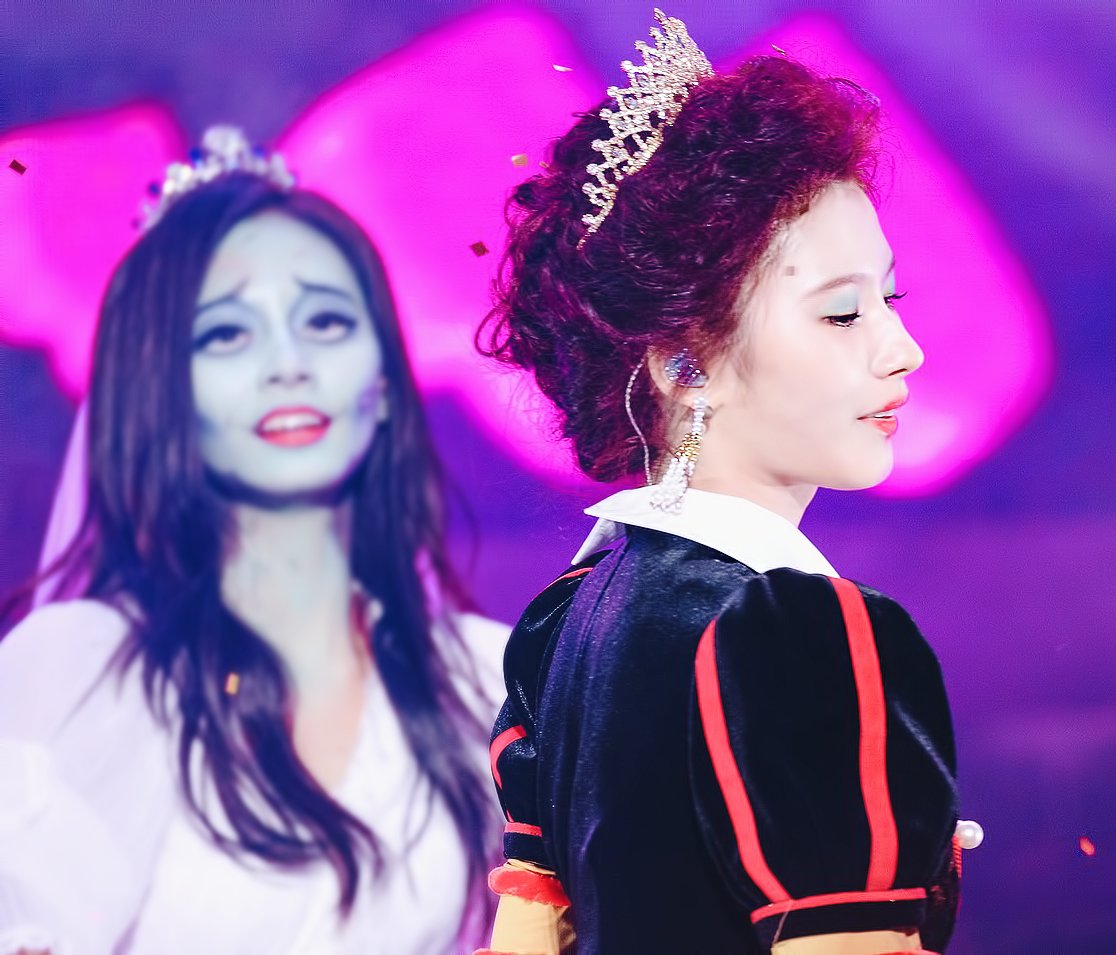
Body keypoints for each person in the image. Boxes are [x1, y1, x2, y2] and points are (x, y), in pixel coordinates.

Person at [475, 12, 969, 953]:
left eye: (890, 299)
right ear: (684, 366)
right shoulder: (797, 635)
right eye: (842, 314)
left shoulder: (568, 618)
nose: (902, 349)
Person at [0, 128, 508, 954]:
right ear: (161, 387)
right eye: (227, 334)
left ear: (385, 379)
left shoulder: (488, 679)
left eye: (326, 321)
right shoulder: (85, 672)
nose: (288, 363)